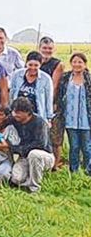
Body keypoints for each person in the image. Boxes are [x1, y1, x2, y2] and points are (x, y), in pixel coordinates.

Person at [0, 97, 53, 193]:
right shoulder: (14, 119)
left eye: (18, 112)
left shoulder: (39, 123)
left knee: (34, 154)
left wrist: (11, 147)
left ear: (27, 112)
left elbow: (41, 144)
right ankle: (29, 179)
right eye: (14, 111)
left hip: (43, 156)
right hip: (24, 157)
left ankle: (35, 188)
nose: (15, 114)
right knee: (16, 179)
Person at [55, 53, 91, 175]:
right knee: (74, 147)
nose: (77, 64)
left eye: (80, 62)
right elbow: (60, 95)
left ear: (85, 64)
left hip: (86, 119)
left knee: (87, 147)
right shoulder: (66, 77)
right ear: (71, 63)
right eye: (74, 62)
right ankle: (74, 172)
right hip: (70, 119)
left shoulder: (89, 79)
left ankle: (88, 172)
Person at [39, 36, 65, 169]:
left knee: (55, 135)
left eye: (50, 48)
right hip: (38, 103)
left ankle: (55, 164)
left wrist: (49, 105)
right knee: (41, 135)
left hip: (53, 104)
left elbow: (54, 86)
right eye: (44, 48)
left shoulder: (58, 64)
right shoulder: (35, 62)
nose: (47, 51)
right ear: (39, 48)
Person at [9, 51, 53, 121]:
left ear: (40, 65)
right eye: (30, 65)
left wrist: (49, 118)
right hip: (18, 114)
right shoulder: (17, 75)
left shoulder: (46, 79)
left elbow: (48, 99)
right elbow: (12, 93)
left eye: (36, 65)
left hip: (36, 115)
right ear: (26, 63)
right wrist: (10, 110)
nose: (32, 68)